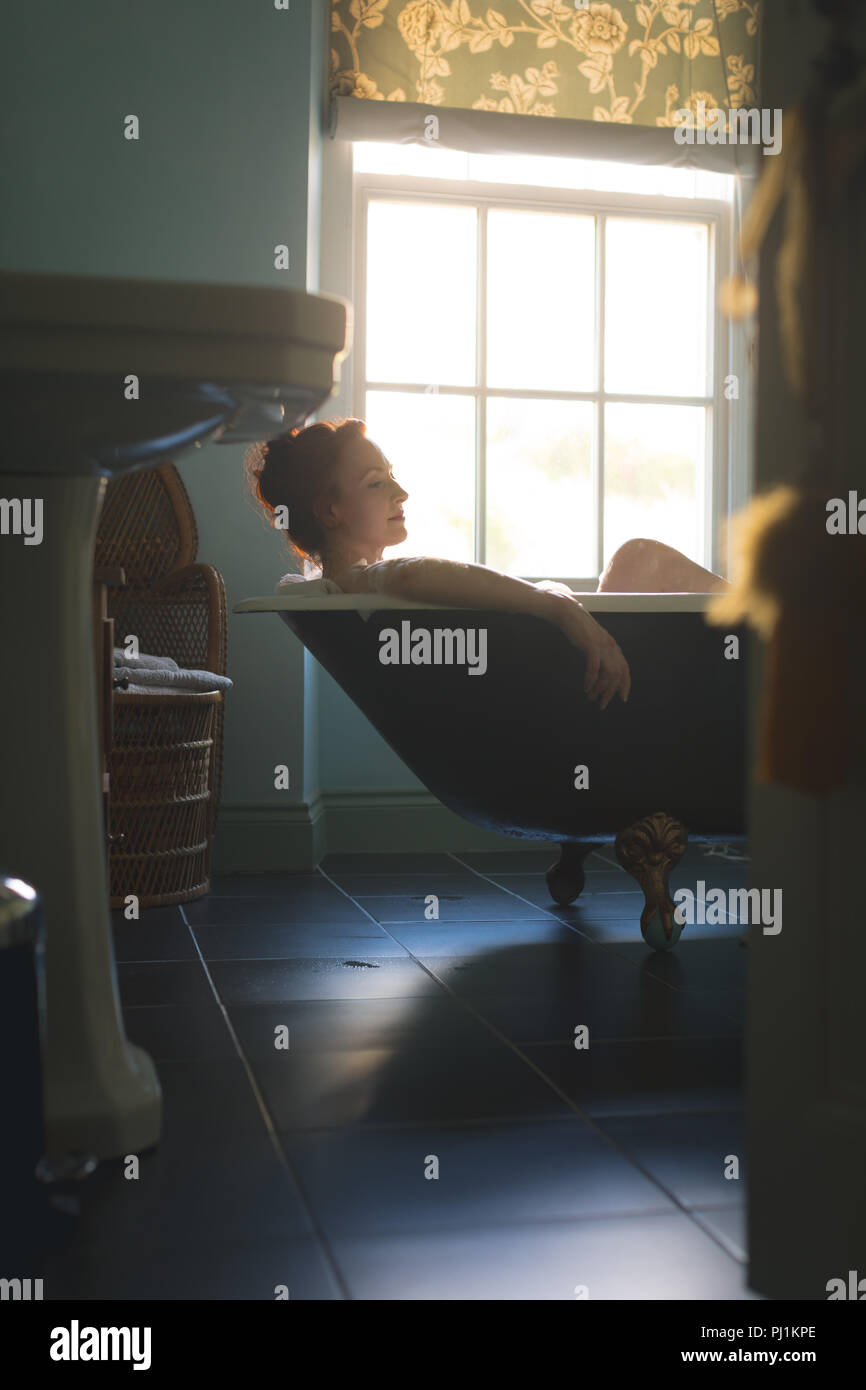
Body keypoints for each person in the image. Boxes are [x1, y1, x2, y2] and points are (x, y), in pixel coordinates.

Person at [246, 417, 731, 712]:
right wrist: (560, 608)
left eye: (392, 476)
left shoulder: (351, 590)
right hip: (580, 697)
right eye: (377, 482)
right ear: (330, 512)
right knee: (638, 561)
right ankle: (772, 628)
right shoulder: (360, 581)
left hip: (574, 687)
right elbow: (408, 572)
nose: (401, 492)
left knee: (636, 562)